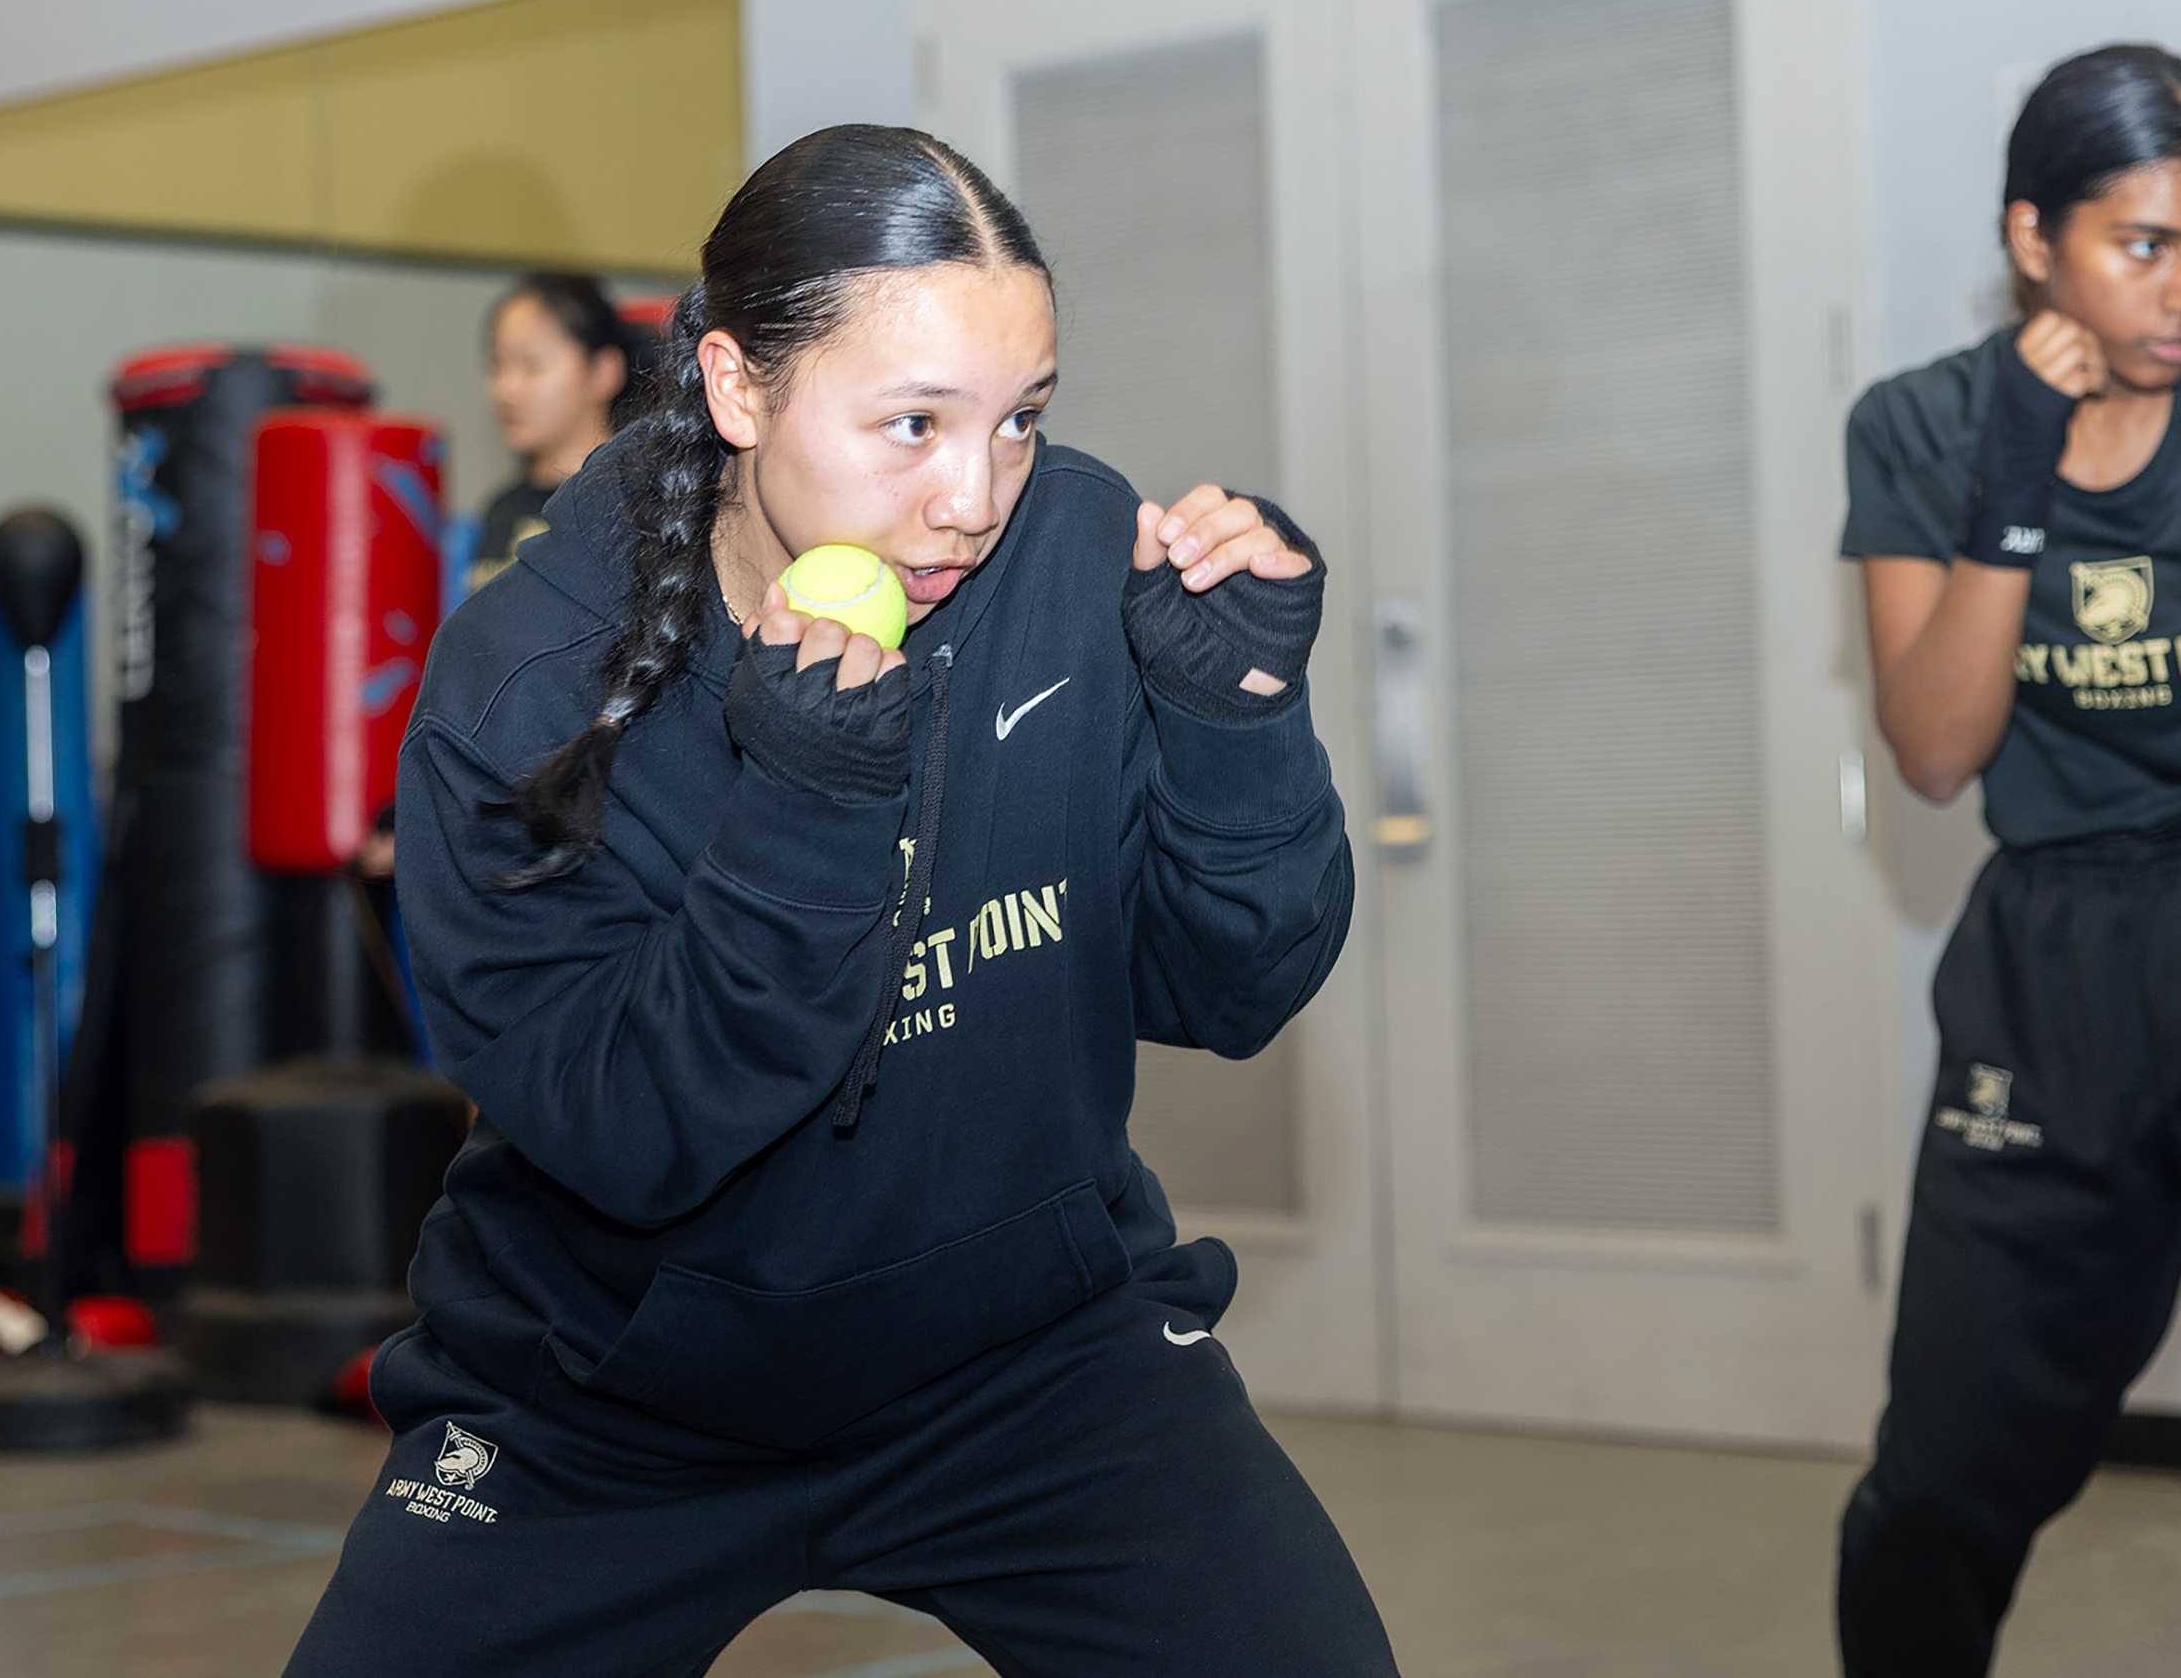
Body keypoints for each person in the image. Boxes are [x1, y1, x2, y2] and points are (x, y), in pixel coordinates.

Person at [283, 124, 1396, 1677]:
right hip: (612, 1396)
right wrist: (808, 805)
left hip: (1024, 1354)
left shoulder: (1067, 552)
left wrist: (1241, 714)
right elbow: (638, 1130)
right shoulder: (527, 687)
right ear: (738, 387)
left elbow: (1228, 987)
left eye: (1020, 420)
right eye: (914, 422)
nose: (972, 495)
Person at [1836, 45, 2181, 1675]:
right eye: (2146, 243)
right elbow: (1936, 754)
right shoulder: (1926, 426)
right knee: (1940, 1488)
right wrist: (2011, 492)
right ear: (2033, 237)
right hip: (2063, 965)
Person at [467, 271, 640, 591]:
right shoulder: (502, 509)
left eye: (531, 365)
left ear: (605, 370)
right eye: (497, 364)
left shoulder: (633, 503)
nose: (506, 388)